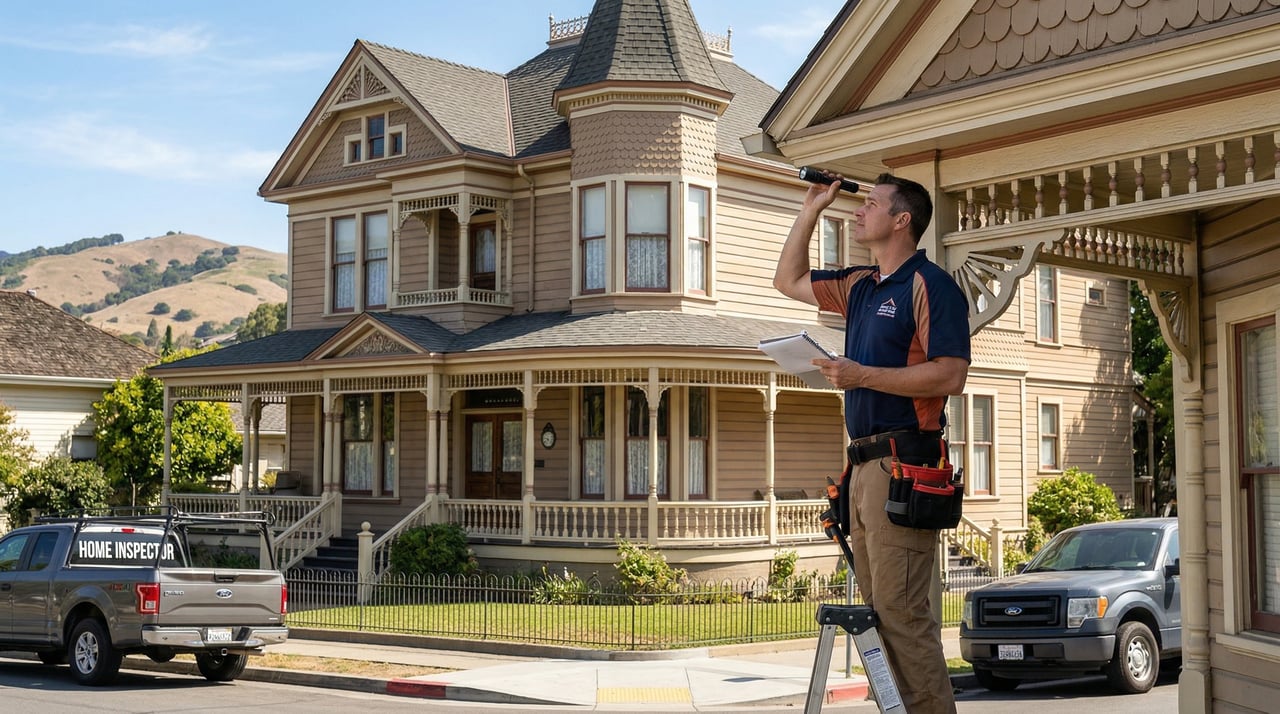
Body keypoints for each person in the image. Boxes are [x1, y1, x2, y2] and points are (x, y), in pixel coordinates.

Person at [773, 171, 970, 714]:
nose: (859, 212)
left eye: (872, 204)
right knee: (881, 616)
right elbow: (787, 280)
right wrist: (811, 209)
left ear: (902, 220)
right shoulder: (861, 286)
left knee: (903, 618)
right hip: (863, 466)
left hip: (904, 464)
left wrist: (862, 376)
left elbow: (950, 374)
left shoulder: (930, 286)